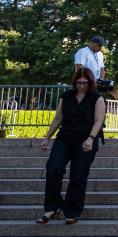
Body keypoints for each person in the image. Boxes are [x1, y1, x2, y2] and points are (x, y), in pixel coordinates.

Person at [37, 68, 105, 224]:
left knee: (78, 176)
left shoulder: (97, 98)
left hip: (85, 139)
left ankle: (72, 211)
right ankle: (53, 207)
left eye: (85, 83)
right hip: (65, 137)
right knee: (53, 168)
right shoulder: (66, 96)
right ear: (74, 82)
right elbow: (57, 119)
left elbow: (98, 121)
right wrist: (47, 138)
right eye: (79, 83)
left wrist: (91, 138)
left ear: (90, 83)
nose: (81, 86)